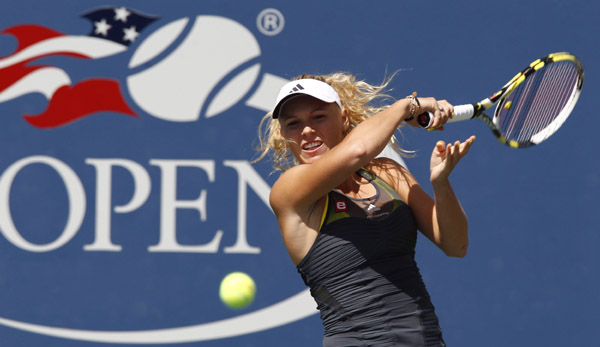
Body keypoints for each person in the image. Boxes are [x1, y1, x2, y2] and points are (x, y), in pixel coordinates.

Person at [255, 73, 475, 346]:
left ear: (344, 118)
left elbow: (456, 245)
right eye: (293, 123)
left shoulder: (388, 173)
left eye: (318, 117)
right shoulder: (289, 191)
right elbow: (358, 150)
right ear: (286, 135)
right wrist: (408, 106)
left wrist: (441, 185)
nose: (307, 130)